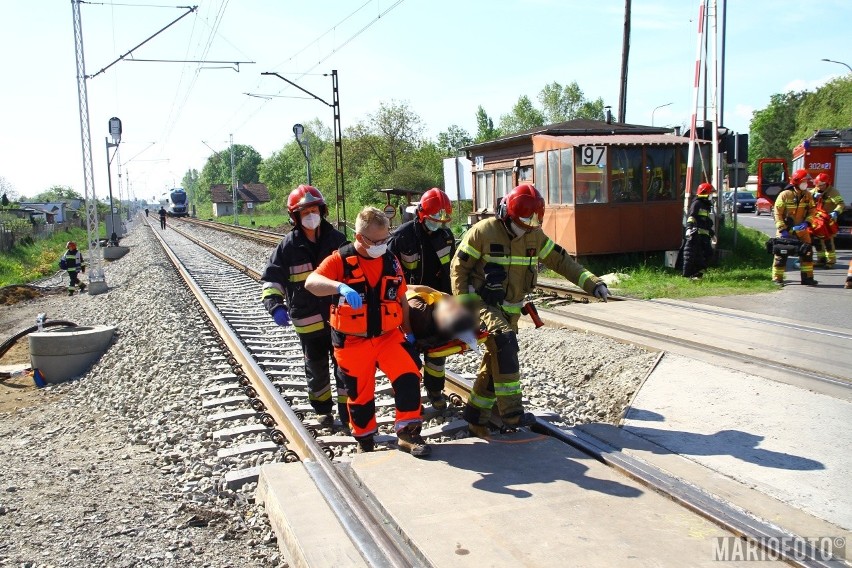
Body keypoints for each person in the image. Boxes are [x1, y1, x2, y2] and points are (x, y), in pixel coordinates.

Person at [451, 184, 610, 438]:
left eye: (533, 223)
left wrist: (592, 283)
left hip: (510, 311)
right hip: (483, 305)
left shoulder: (533, 234)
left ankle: (476, 417)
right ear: (507, 214)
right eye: (523, 222)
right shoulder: (482, 232)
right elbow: (458, 269)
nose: (527, 228)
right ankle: (511, 413)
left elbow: (561, 260)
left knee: (496, 364)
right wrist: (464, 308)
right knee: (505, 343)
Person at [305, 206, 429, 456]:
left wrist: (409, 333)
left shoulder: (390, 260)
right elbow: (311, 283)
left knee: (408, 375)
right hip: (352, 342)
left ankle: (408, 433)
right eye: (377, 241)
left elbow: (402, 299)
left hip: (388, 336)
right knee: (359, 395)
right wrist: (339, 287)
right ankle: (364, 441)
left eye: (386, 239)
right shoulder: (339, 259)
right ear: (360, 238)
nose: (383, 244)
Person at [260, 185, 348, 427]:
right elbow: (272, 279)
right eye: (304, 211)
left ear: (322, 211)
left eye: (314, 209)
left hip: (338, 317)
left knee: (344, 365)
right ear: (295, 217)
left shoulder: (337, 240)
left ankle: (347, 411)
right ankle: (323, 410)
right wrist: (275, 305)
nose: (311, 215)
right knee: (316, 367)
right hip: (307, 320)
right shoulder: (287, 246)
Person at [387, 188, 456, 409]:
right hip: (409, 306)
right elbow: (388, 274)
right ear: (421, 214)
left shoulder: (445, 237)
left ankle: (435, 392)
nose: (438, 224)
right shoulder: (402, 237)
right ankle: (410, 397)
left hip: (437, 303)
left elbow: (451, 271)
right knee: (409, 355)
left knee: (437, 350)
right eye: (434, 219)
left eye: (442, 220)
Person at [405, 284, 480, 358]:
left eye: (453, 307)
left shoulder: (418, 312)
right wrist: (442, 294)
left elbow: (410, 289)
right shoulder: (423, 313)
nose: (453, 304)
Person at [773, 169, 817, 286]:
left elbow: (812, 210)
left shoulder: (807, 195)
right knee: (781, 255)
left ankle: (807, 278)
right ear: (797, 182)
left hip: (802, 231)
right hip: (786, 231)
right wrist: (782, 229)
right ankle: (777, 279)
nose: (806, 183)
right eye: (804, 181)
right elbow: (777, 213)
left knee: (807, 254)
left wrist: (807, 222)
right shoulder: (785, 195)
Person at [682, 182, 715, 278]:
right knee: (694, 256)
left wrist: (712, 234)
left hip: (704, 235)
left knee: (707, 254)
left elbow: (706, 222)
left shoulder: (706, 206)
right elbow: (691, 217)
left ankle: (697, 273)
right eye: (710, 193)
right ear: (705, 193)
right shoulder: (697, 204)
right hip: (696, 234)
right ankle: (693, 274)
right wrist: (688, 228)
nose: (711, 196)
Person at [811, 173, 845, 268]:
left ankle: (830, 262)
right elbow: (807, 200)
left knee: (828, 241)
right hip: (817, 220)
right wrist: (813, 197)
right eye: (818, 184)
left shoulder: (833, 192)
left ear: (827, 183)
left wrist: (835, 212)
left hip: (828, 220)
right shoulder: (814, 191)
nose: (819, 187)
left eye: (822, 185)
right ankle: (821, 260)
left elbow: (841, 204)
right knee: (817, 241)